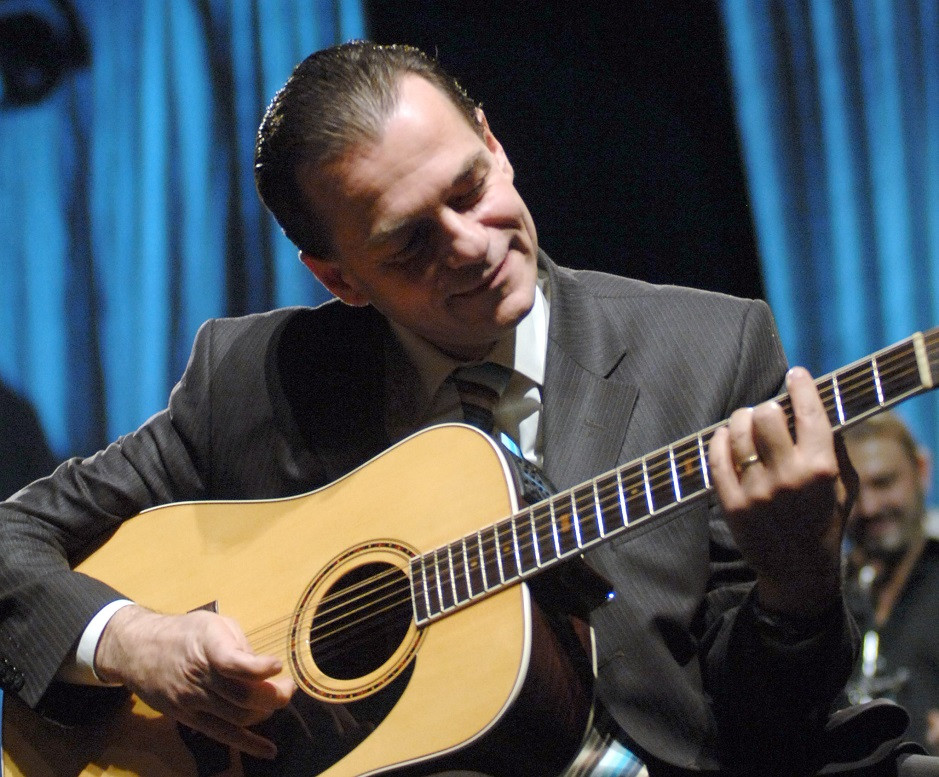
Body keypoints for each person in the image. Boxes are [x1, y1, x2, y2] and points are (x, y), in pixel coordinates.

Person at [0, 40, 881, 776]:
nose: (470, 246)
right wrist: (133, 640)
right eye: (409, 242)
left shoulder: (712, 350)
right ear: (338, 277)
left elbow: (768, 729)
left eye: (469, 189)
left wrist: (797, 580)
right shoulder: (254, 381)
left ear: (494, 144)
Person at [843, 412, 939, 756]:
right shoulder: (820, 599)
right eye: (854, 491)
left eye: (883, 483)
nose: (869, 507)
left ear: (922, 471)